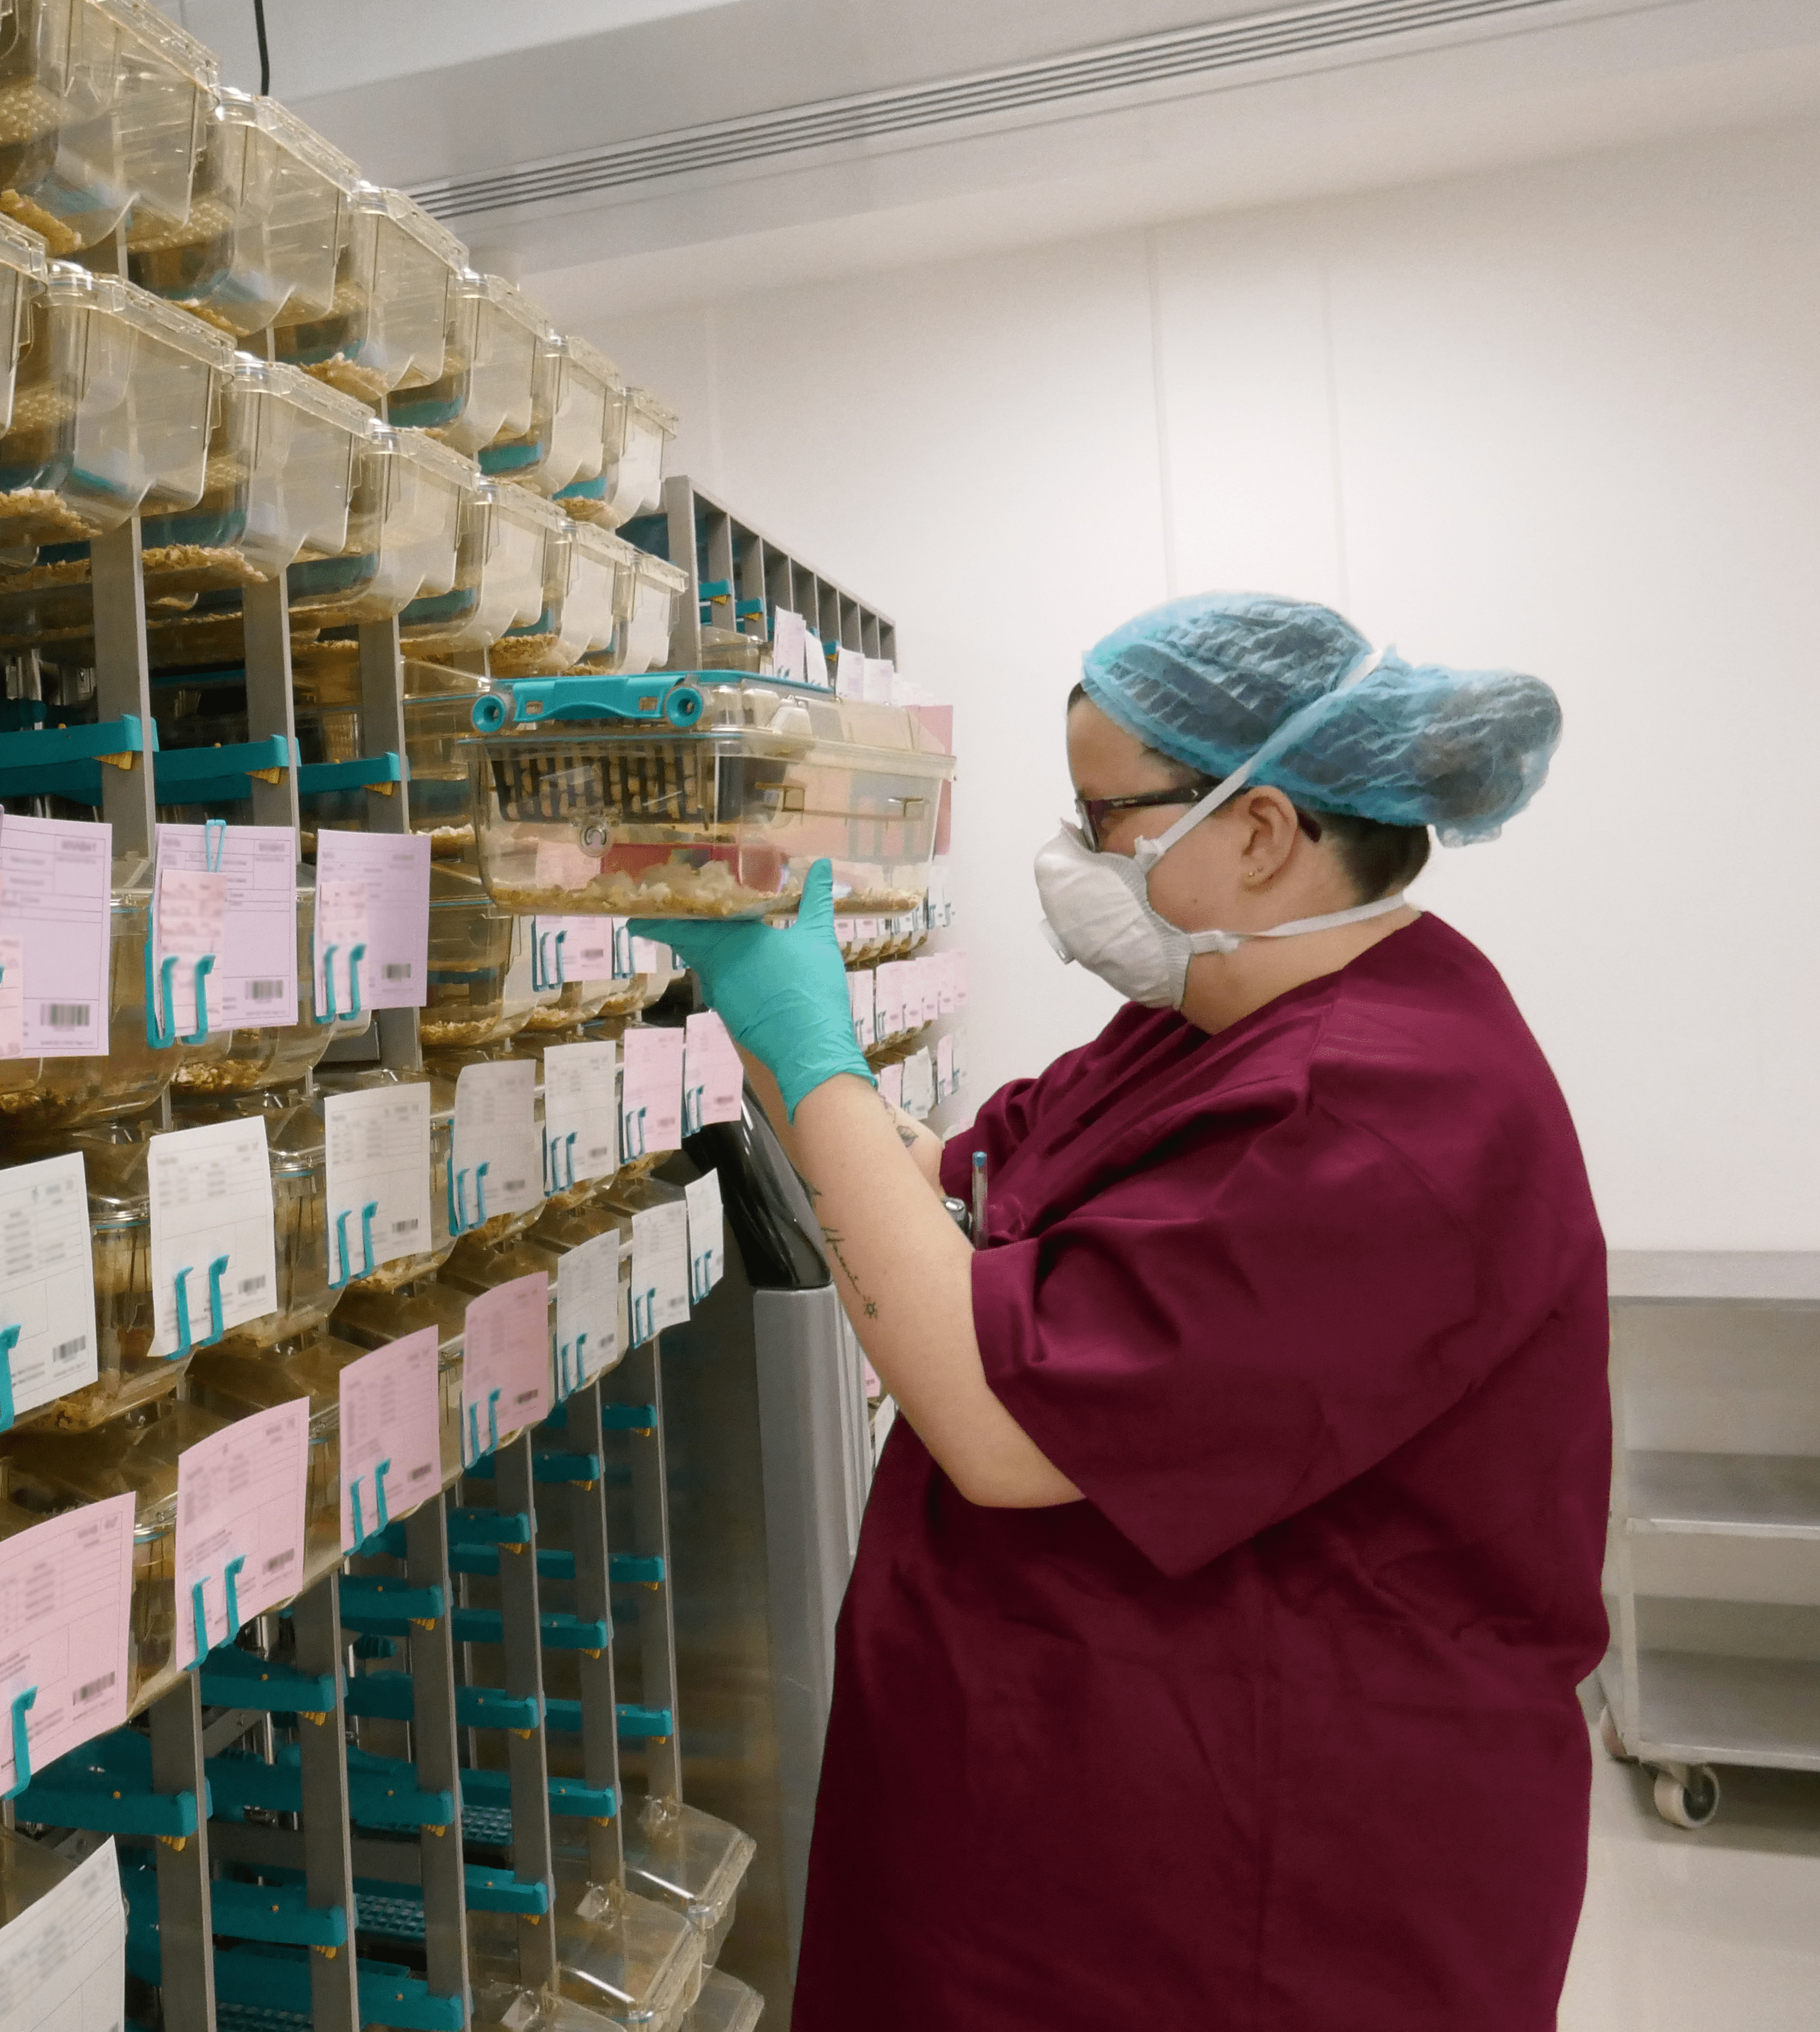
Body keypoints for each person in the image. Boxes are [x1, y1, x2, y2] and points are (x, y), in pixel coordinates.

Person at [635, 592, 1606, 2031]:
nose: (1073, 859)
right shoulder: (1198, 1029)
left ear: (1263, 831)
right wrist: (770, 1018)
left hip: (1260, 1878)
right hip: (1069, 1803)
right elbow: (926, 1198)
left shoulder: (1393, 1111)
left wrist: (806, 1035)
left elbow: (997, 1424)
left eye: (1101, 819)